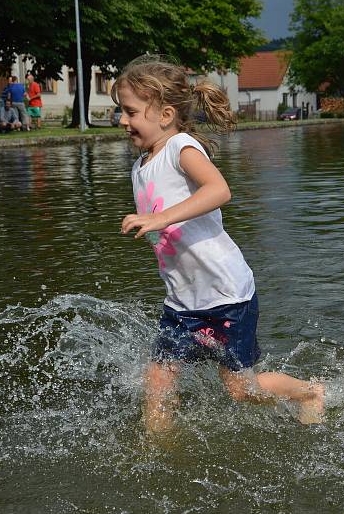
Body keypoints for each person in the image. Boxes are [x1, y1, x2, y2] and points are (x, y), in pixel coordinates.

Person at [112, 55, 325, 432]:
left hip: (226, 294)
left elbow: (219, 189)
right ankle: (156, 457)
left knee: (241, 391)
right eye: (121, 112)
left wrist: (160, 218)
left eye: (129, 111)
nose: (122, 121)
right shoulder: (140, 166)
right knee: (157, 384)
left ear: (164, 114)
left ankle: (309, 392)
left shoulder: (181, 147)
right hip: (182, 301)